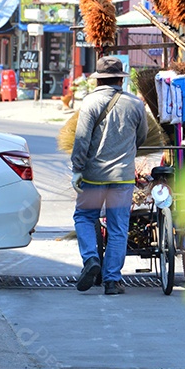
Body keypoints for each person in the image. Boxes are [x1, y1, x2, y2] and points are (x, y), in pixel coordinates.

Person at [70, 56, 147, 295]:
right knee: (118, 228)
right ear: (119, 80)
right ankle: (112, 280)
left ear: (99, 80)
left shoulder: (90, 102)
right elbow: (141, 138)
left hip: (94, 177)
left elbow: (82, 140)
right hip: (123, 178)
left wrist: (77, 169)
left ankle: (91, 258)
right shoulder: (135, 105)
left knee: (84, 217)